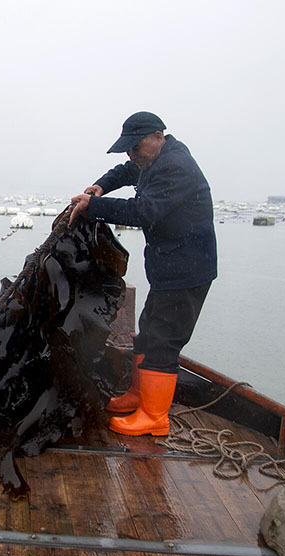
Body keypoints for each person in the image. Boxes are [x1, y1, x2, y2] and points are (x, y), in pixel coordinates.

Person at [69, 111, 217, 437]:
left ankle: (154, 416)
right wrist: (101, 186)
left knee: (163, 341)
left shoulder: (175, 168)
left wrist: (93, 208)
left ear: (158, 137)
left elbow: (143, 211)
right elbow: (125, 171)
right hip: (169, 269)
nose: (131, 155)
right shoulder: (153, 160)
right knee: (148, 333)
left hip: (188, 272)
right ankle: (138, 395)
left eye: (136, 147)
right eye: (129, 149)